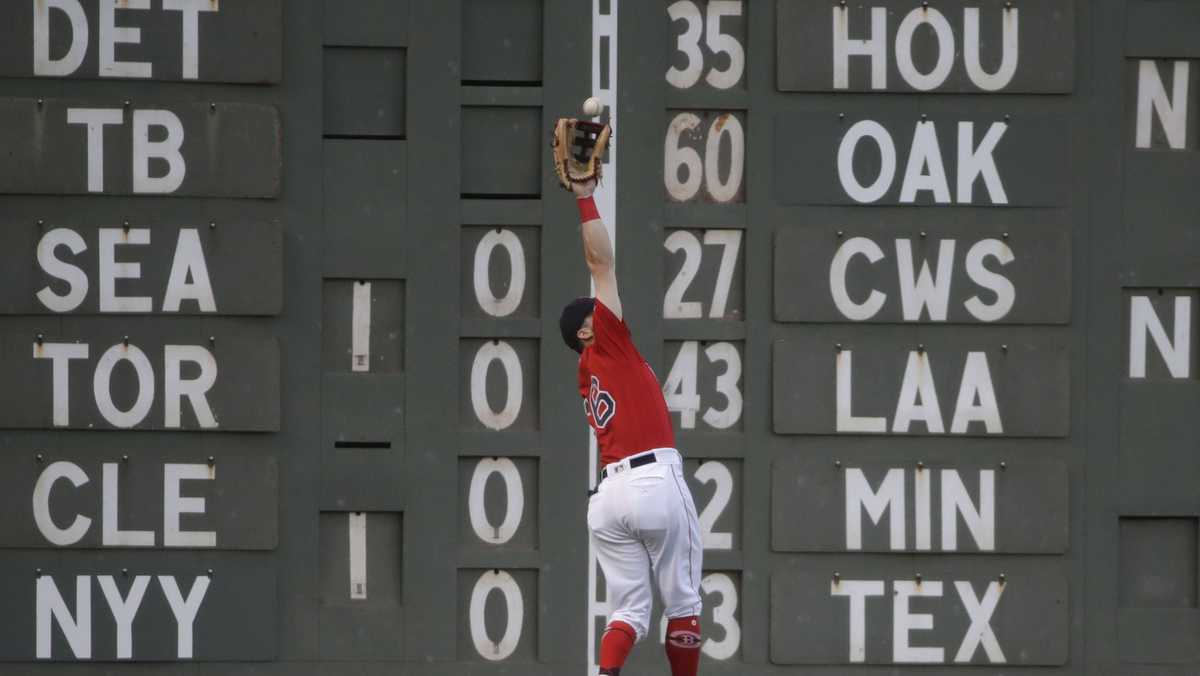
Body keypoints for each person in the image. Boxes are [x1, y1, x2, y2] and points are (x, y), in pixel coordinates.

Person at [559, 178, 704, 676]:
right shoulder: (607, 346)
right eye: (593, 311)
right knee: (683, 603)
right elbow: (601, 263)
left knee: (628, 613)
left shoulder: (587, 373)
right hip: (652, 482)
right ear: (585, 331)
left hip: (609, 501)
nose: (603, 308)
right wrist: (584, 194)